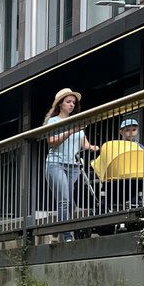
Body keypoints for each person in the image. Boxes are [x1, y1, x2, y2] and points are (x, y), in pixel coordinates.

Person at [44, 87, 99, 241]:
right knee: (64, 200)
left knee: (70, 204)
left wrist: (93, 147)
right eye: (68, 102)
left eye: (73, 102)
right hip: (56, 164)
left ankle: (57, 231)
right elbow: (52, 142)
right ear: (60, 104)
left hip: (73, 166)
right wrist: (71, 130)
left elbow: (84, 143)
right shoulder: (53, 121)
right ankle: (67, 235)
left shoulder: (76, 122)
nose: (71, 105)